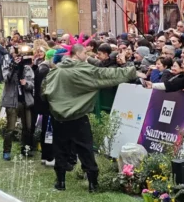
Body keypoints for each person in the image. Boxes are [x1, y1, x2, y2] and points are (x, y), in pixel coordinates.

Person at [43, 44, 142, 193]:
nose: (87, 56)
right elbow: (107, 75)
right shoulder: (85, 70)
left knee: (60, 150)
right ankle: (93, 185)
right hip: (78, 117)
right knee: (85, 151)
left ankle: (61, 182)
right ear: (77, 54)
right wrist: (132, 71)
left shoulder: (56, 71)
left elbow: (45, 89)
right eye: (85, 53)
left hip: (59, 118)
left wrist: (56, 105)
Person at [1, 48, 35, 161]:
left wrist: (26, 83)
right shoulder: (7, 66)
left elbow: (32, 84)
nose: (18, 57)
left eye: (20, 55)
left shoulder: (27, 68)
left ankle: (26, 149)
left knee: (28, 127)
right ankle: (6, 151)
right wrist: (13, 67)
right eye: (15, 55)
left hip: (25, 100)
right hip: (12, 101)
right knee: (10, 128)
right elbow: (6, 79)